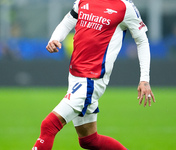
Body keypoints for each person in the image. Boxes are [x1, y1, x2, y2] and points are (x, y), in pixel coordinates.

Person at [32, 0, 156, 149]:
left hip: (91, 80)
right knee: (89, 140)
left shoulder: (125, 6)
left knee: (48, 126)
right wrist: (55, 39)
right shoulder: (82, 1)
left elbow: (142, 41)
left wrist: (144, 79)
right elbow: (67, 22)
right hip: (74, 76)